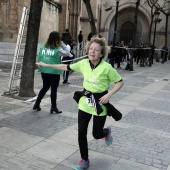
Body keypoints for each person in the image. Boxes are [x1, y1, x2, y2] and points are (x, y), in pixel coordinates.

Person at [36, 36, 124, 170]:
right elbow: (65, 66)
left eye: (96, 50)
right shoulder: (83, 64)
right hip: (84, 102)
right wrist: (47, 65)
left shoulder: (107, 68)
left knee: (96, 134)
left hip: (100, 103)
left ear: (101, 53)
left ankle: (106, 132)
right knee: (81, 132)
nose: (92, 52)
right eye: (91, 49)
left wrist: (109, 94)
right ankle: (84, 159)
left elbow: (120, 82)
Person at [33, 31, 73, 114]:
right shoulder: (57, 49)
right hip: (54, 71)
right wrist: (62, 44)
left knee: (45, 87)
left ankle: (37, 104)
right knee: (53, 90)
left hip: (44, 70)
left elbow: (40, 55)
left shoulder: (43, 46)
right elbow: (67, 52)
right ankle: (53, 107)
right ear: (58, 39)